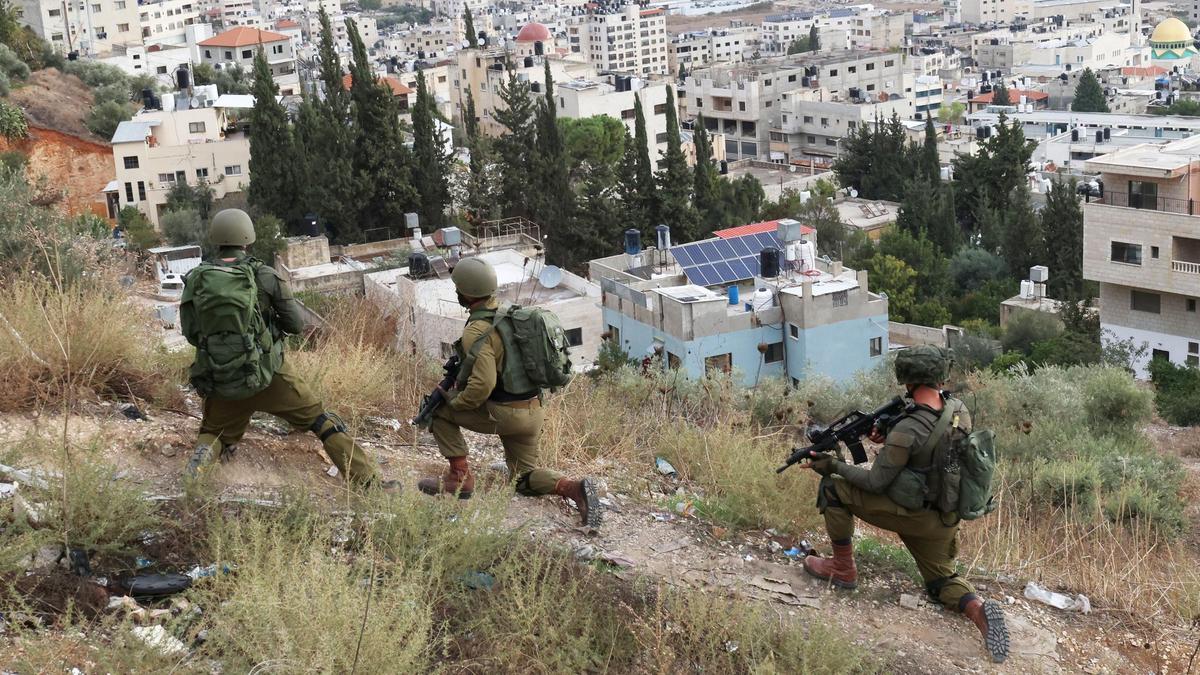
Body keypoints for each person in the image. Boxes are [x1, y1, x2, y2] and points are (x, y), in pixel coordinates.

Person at [801, 345, 1009, 663]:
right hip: (944, 518)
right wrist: (890, 435)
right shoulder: (958, 410)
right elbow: (932, 454)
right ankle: (978, 610)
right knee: (942, 582)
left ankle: (842, 568)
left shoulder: (908, 427)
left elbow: (875, 483)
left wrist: (831, 466)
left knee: (833, 487)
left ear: (908, 380)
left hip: (910, 513)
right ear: (938, 376)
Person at [180, 209, 396, 492]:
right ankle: (369, 485)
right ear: (248, 237)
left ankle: (193, 480)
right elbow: (294, 325)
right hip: (272, 375)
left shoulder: (197, 278)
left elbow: (191, 333)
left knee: (212, 433)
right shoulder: (265, 275)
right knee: (322, 421)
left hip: (223, 376)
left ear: (216, 238)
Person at [417, 257, 601, 529]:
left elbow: (482, 385)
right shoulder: (511, 314)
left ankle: (460, 477)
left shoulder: (477, 330)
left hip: (506, 414)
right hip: (533, 411)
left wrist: (457, 401)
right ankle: (574, 488)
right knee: (522, 479)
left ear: (465, 292)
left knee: (439, 411)